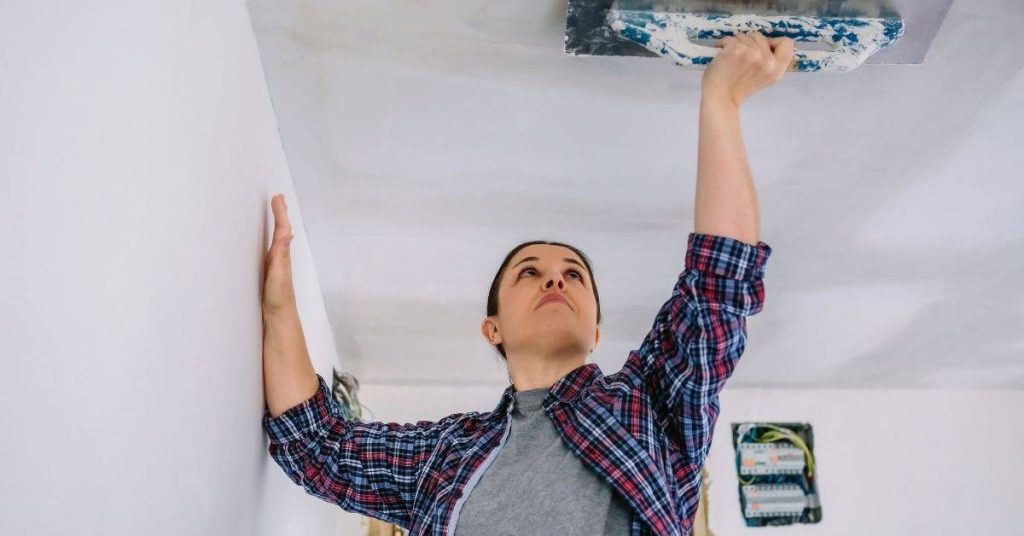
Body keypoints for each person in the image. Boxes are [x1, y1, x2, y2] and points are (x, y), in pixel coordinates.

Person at [262, 32, 794, 536]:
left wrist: (722, 99)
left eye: (574, 275)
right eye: (529, 273)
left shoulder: (650, 405)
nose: (555, 279)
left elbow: (717, 284)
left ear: (596, 332)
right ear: (492, 328)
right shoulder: (443, 456)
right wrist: (280, 309)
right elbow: (317, 446)